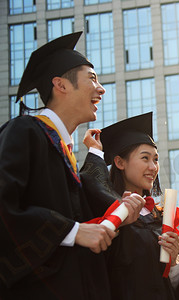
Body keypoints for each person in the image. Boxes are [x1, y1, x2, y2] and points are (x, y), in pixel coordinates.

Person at [0, 32, 144, 299]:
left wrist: (116, 212)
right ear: (61, 85)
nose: (101, 88)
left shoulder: (64, 153)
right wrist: (73, 231)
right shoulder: (25, 131)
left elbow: (83, 227)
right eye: (92, 78)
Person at [83, 112, 179, 300]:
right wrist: (95, 152)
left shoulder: (160, 216)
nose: (153, 167)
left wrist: (175, 261)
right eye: (145, 158)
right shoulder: (110, 214)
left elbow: (178, 290)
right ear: (119, 162)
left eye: (156, 159)